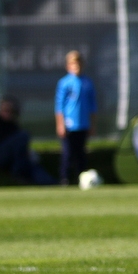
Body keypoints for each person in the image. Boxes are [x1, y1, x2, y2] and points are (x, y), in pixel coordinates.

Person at [0, 96, 55, 185]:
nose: (8, 113)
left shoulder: (14, 126)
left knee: (32, 164)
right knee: (24, 136)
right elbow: (0, 140)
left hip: (14, 158)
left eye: (11, 110)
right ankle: (18, 172)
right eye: (5, 110)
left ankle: (51, 183)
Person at [55, 50, 97, 185]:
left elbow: (92, 106)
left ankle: (82, 178)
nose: (76, 66)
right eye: (73, 64)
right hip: (69, 124)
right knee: (67, 153)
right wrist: (60, 124)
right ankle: (64, 179)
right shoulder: (64, 83)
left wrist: (92, 124)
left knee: (81, 154)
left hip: (83, 123)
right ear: (68, 66)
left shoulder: (87, 82)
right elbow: (59, 106)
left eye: (78, 63)